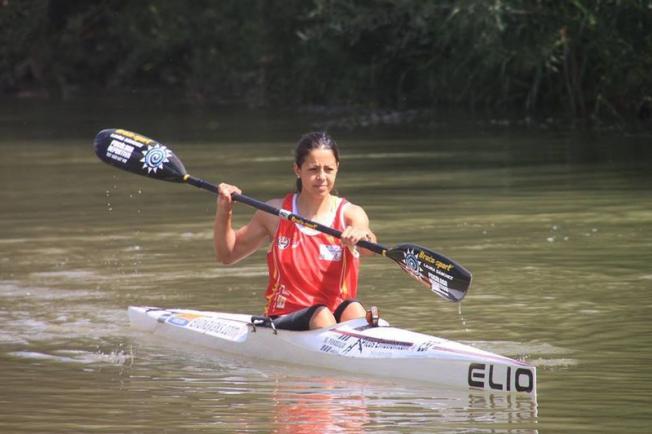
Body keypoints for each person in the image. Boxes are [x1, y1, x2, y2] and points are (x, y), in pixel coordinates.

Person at [214, 132, 377, 331]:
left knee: (355, 310)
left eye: (329, 169)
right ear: (297, 170)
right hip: (285, 317)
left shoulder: (351, 214)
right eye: (313, 169)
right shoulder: (274, 213)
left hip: (334, 317)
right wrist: (225, 210)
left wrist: (361, 235)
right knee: (321, 316)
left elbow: (370, 247)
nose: (322, 177)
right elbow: (228, 255)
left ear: (337, 169)